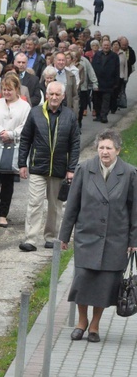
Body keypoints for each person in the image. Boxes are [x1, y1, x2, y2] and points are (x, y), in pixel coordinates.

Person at [59, 130, 137, 343]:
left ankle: (94, 325)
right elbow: (72, 205)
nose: (104, 152)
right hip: (87, 237)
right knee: (82, 280)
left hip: (115, 239)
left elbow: (134, 210)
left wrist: (133, 241)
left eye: (109, 148)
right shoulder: (84, 169)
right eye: (101, 147)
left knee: (105, 285)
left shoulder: (129, 173)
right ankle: (81, 322)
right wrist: (64, 236)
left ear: (118, 150)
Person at [18, 81, 80, 252]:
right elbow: (25, 139)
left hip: (60, 168)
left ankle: (51, 237)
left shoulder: (70, 115)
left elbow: (75, 144)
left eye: (57, 94)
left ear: (63, 96)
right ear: (46, 95)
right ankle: (30, 239)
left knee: (55, 205)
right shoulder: (35, 113)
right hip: (38, 166)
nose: (54, 97)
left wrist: (71, 169)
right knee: (35, 202)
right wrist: (22, 163)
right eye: (51, 94)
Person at [0, 75, 31, 228]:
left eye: (9, 90)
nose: (6, 92)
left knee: (7, 181)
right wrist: (1, 132)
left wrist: (11, 134)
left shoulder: (24, 106)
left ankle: (3, 213)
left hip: (13, 145)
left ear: (16, 89)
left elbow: (26, 125)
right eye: (4, 89)